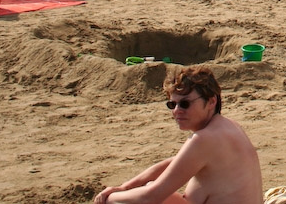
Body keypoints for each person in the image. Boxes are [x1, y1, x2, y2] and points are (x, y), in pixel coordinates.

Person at [93, 66, 262, 204]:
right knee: (144, 188)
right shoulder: (227, 127)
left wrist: (109, 199)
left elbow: (151, 197)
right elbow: (175, 164)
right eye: (172, 104)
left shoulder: (205, 139)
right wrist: (125, 187)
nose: (177, 111)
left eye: (185, 104)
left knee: (139, 197)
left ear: (211, 101)